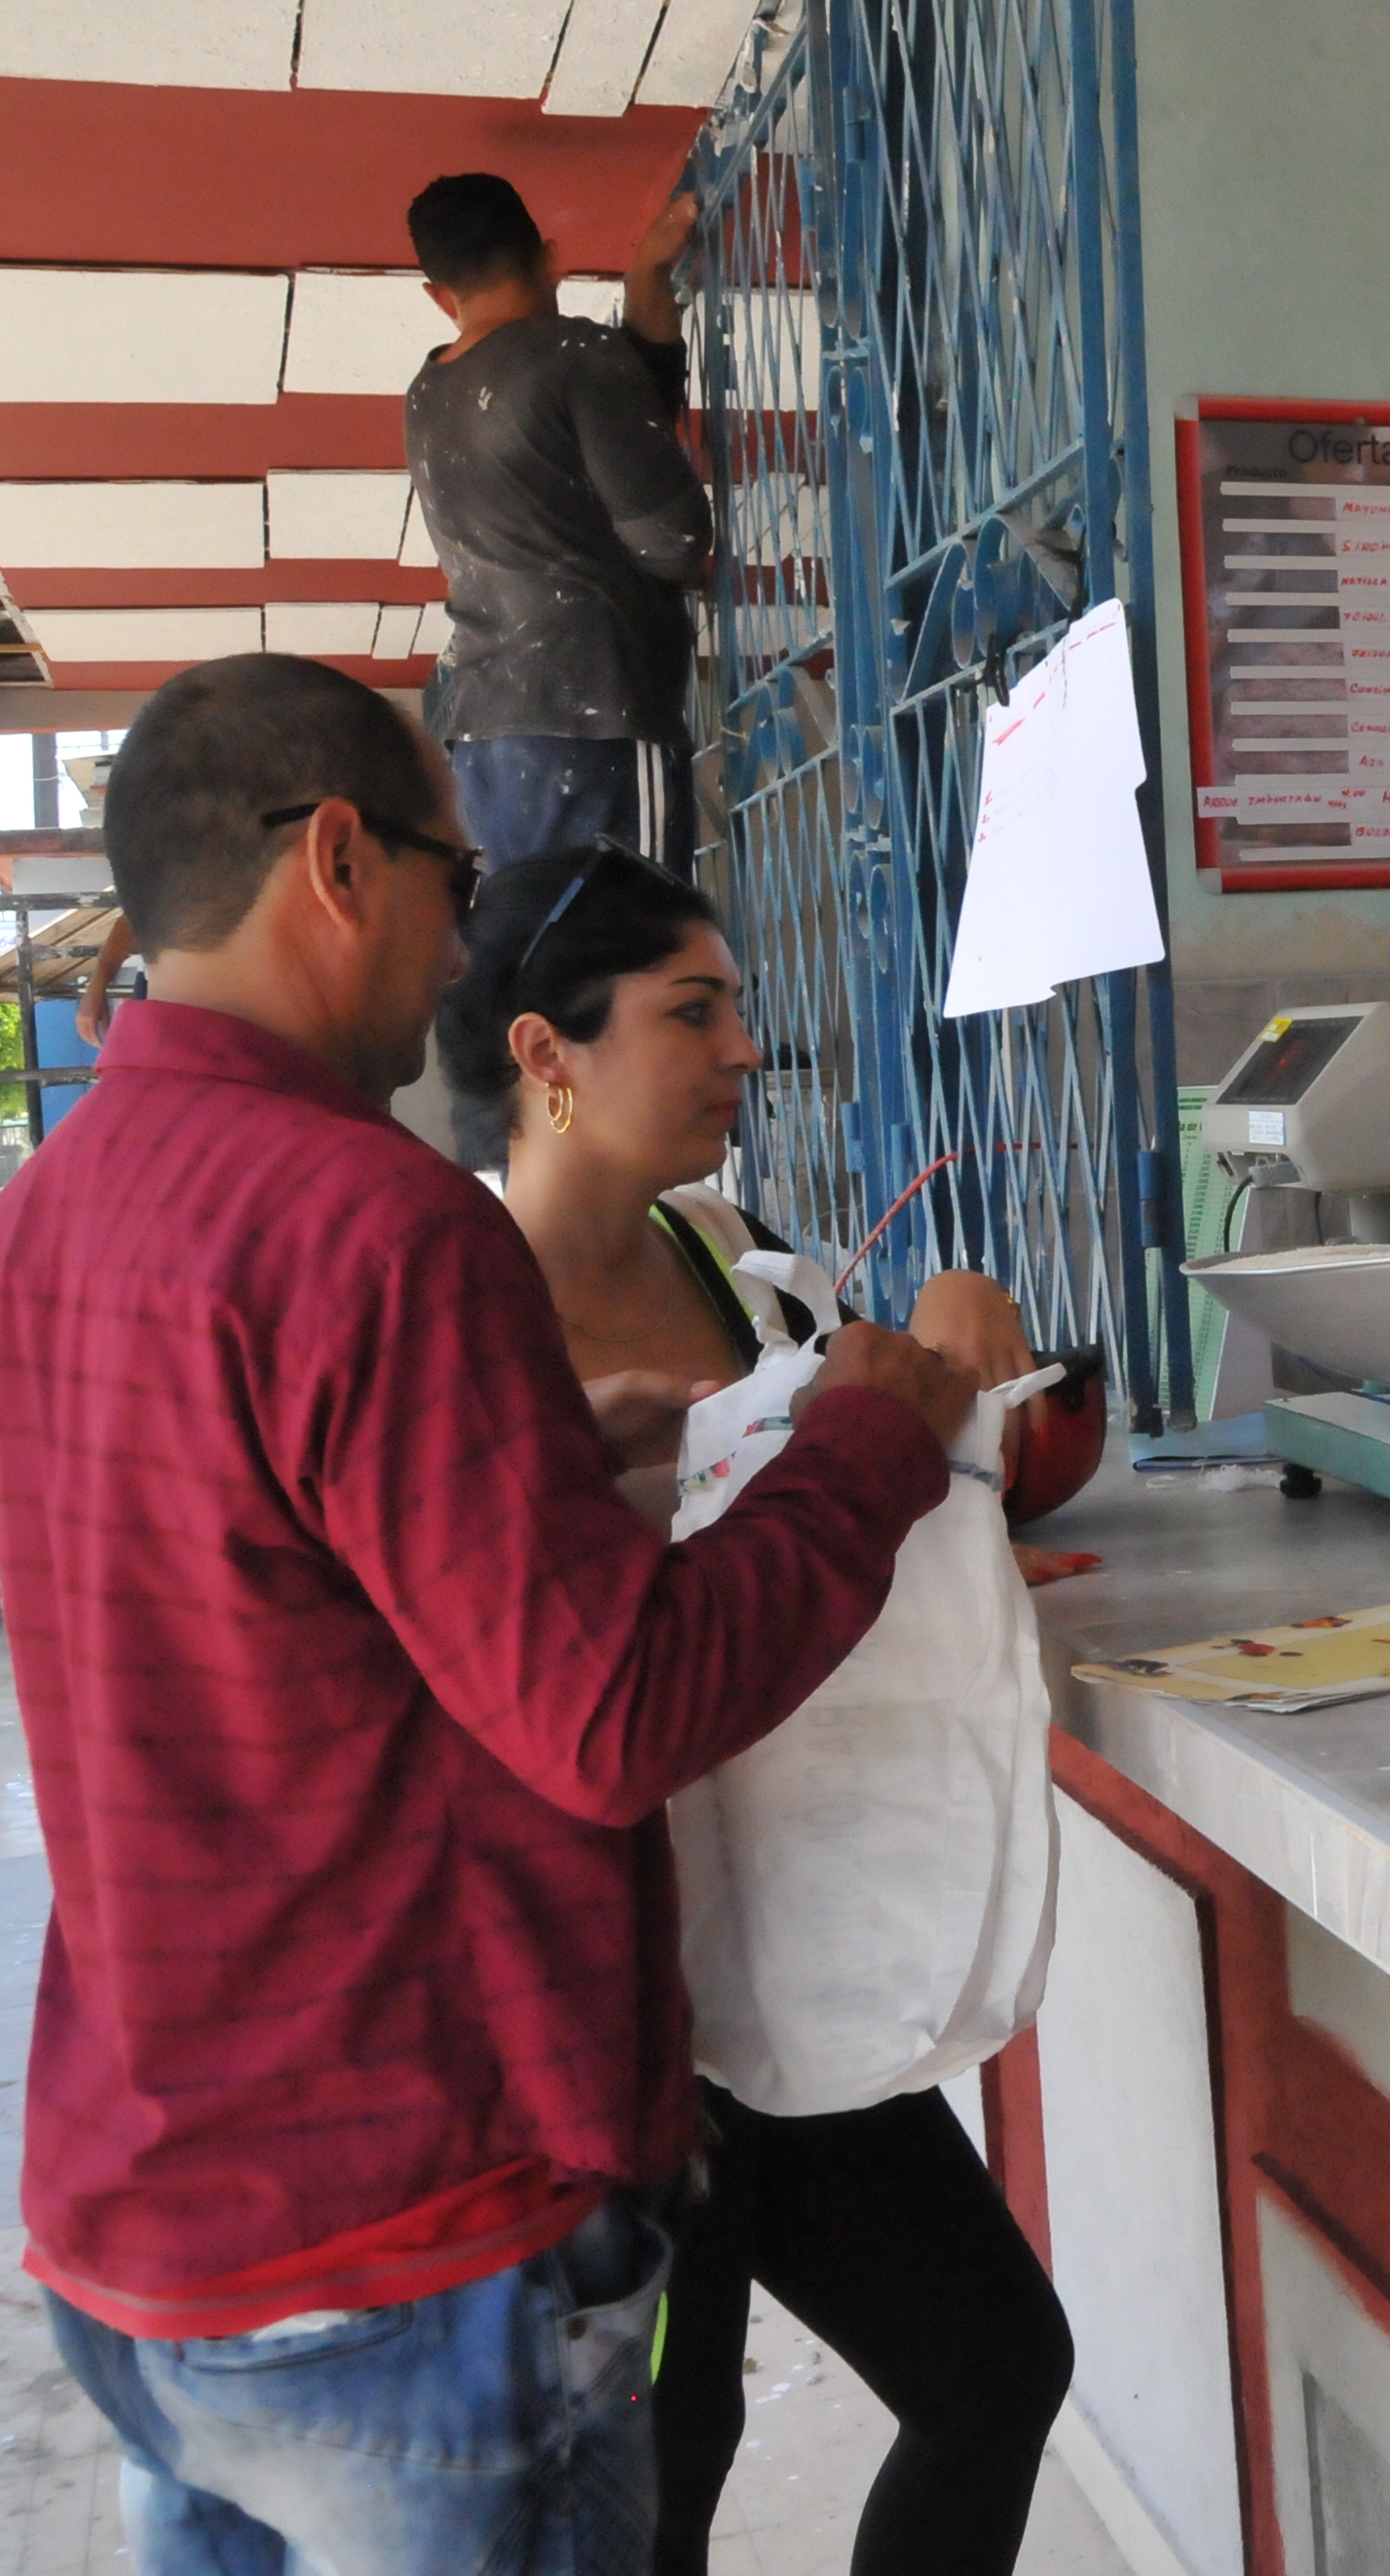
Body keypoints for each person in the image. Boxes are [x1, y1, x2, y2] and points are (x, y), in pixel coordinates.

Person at [0, 654, 975, 2571]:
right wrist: (870, 1443)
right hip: (397, 2237)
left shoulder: (40, 1222)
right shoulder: (376, 1222)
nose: (450, 945)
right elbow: (615, 1714)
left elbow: (245, 1582)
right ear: (337, 859)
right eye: (444, 874)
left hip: (148, 2231)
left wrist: (530, 1452)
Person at [436, 844, 1074, 2576]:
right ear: (545, 1052)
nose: (739, 1053)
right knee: (671, 2460)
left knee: (993, 2362)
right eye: (691, 1010)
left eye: (736, 1010)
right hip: (609, 1992)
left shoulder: (723, 1255)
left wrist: (966, 1412)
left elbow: (834, 1532)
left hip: (774, 1936)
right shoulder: (462, 1320)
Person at [404, 171, 713, 871]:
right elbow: (676, 538)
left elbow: (589, 435)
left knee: (553, 959)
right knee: (637, 942)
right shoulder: (576, 354)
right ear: (549, 257)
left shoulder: (426, 394)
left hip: (486, 735)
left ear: (439, 295)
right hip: (598, 711)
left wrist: (645, 281)